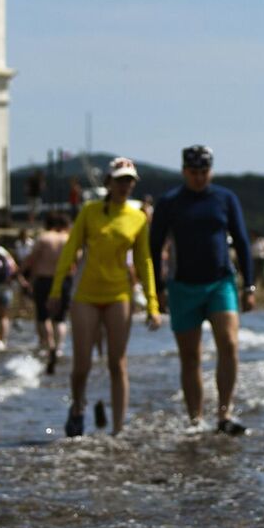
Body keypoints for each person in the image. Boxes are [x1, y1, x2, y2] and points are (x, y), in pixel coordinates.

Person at [48, 158, 161, 436]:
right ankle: (77, 407)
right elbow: (70, 250)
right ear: (109, 182)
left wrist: (152, 304)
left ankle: (119, 430)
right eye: (120, 179)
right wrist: (55, 289)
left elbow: (145, 261)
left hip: (119, 294)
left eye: (130, 180)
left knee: (117, 363)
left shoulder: (138, 217)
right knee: (82, 364)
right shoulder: (90, 211)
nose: (125, 185)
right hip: (85, 294)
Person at [150, 145, 256, 435]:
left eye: (204, 172)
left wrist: (249, 284)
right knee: (191, 356)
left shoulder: (225, 198)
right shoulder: (170, 202)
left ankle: (224, 413)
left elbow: (243, 241)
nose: (199, 178)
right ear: (184, 171)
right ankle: (195, 419)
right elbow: (154, 245)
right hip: (182, 285)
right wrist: (157, 289)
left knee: (229, 344)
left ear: (211, 171)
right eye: (194, 172)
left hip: (220, 282)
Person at [25, 212, 72, 374]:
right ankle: (59, 348)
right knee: (60, 318)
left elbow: (32, 259)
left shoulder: (43, 238)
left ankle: (48, 344)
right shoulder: (67, 239)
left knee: (42, 315)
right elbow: (77, 259)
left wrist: (24, 275)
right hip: (64, 280)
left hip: (43, 279)